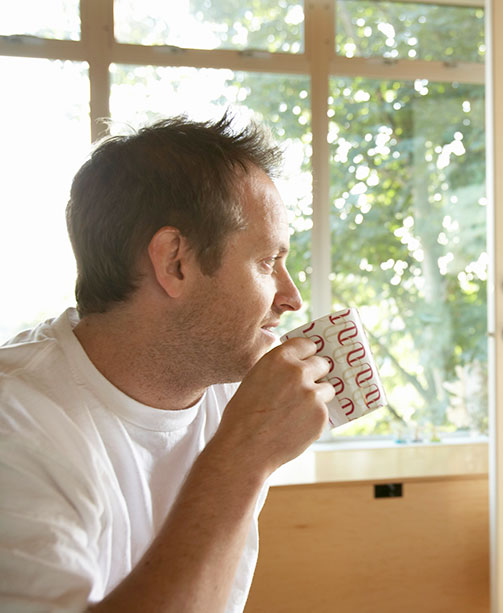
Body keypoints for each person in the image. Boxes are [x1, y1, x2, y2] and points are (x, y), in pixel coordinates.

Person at [0, 114, 335, 612]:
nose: (291, 297)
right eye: (267, 263)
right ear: (175, 261)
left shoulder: (225, 386)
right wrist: (242, 458)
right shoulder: (18, 427)